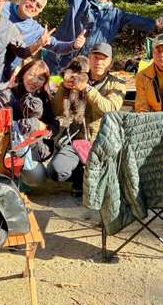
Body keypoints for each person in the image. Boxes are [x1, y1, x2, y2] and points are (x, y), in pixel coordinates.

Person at [49, 42, 126, 196]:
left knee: (110, 179)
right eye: (96, 57)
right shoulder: (76, 77)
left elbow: (110, 108)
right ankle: (79, 174)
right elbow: (57, 110)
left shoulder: (117, 84)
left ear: (110, 63)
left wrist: (87, 89)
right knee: (56, 171)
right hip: (76, 140)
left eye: (104, 59)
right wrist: (64, 87)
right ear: (89, 59)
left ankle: (88, 176)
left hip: (102, 142)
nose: (99, 62)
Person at [0, 58, 58, 186]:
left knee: (38, 178)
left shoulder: (43, 98)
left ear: (44, 82)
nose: (34, 80)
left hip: (33, 149)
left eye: (40, 78)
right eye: (31, 74)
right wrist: (29, 125)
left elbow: (54, 124)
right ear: (23, 74)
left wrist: (45, 127)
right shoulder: (6, 96)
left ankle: (23, 179)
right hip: (8, 150)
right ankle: (8, 180)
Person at [0, 0, 86, 81]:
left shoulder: (35, 30)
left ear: (40, 11)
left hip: (2, 76)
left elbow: (56, 46)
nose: (33, 5)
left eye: (38, 5)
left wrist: (73, 45)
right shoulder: (1, 7)